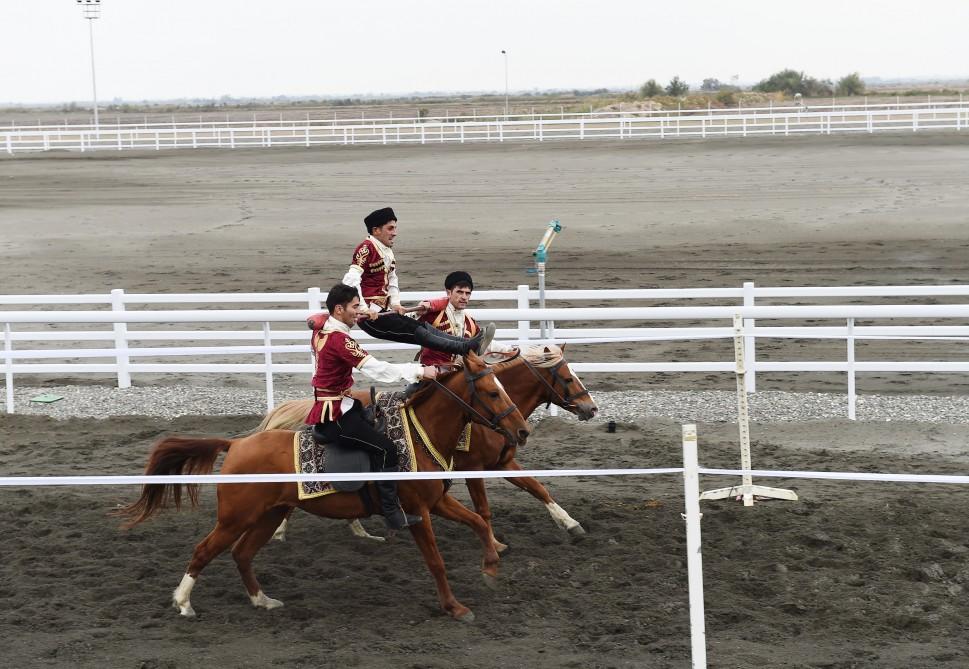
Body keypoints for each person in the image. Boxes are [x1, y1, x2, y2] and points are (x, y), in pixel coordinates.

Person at [306, 282, 435, 531]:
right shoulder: (341, 341)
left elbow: (315, 318)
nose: (359, 311)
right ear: (339, 309)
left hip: (338, 404)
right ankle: (391, 513)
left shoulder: (322, 328)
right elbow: (378, 369)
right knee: (386, 448)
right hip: (335, 414)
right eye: (356, 307)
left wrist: (366, 312)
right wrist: (420, 371)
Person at [341, 207, 495, 356]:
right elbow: (350, 280)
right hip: (373, 318)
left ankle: (467, 345)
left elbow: (392, 278)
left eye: (395, 228)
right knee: (419, 332)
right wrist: (363, 308)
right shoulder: (366, 249)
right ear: (376, 230)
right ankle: (466, 347)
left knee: (422, 328)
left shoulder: (386, 250)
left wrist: (395, 303)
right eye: (390, 228)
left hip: (384, 311)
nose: (395, 233)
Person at [416, 271, 515, 368]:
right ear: (448, 292)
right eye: (459, 292)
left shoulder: (470, 322)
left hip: (458, 375)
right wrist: (424, 307)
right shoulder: (433, 313)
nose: (464, 297)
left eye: (467, 293)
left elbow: (484, 343)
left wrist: (509, 351)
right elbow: (406, 323)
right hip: (433, 372)